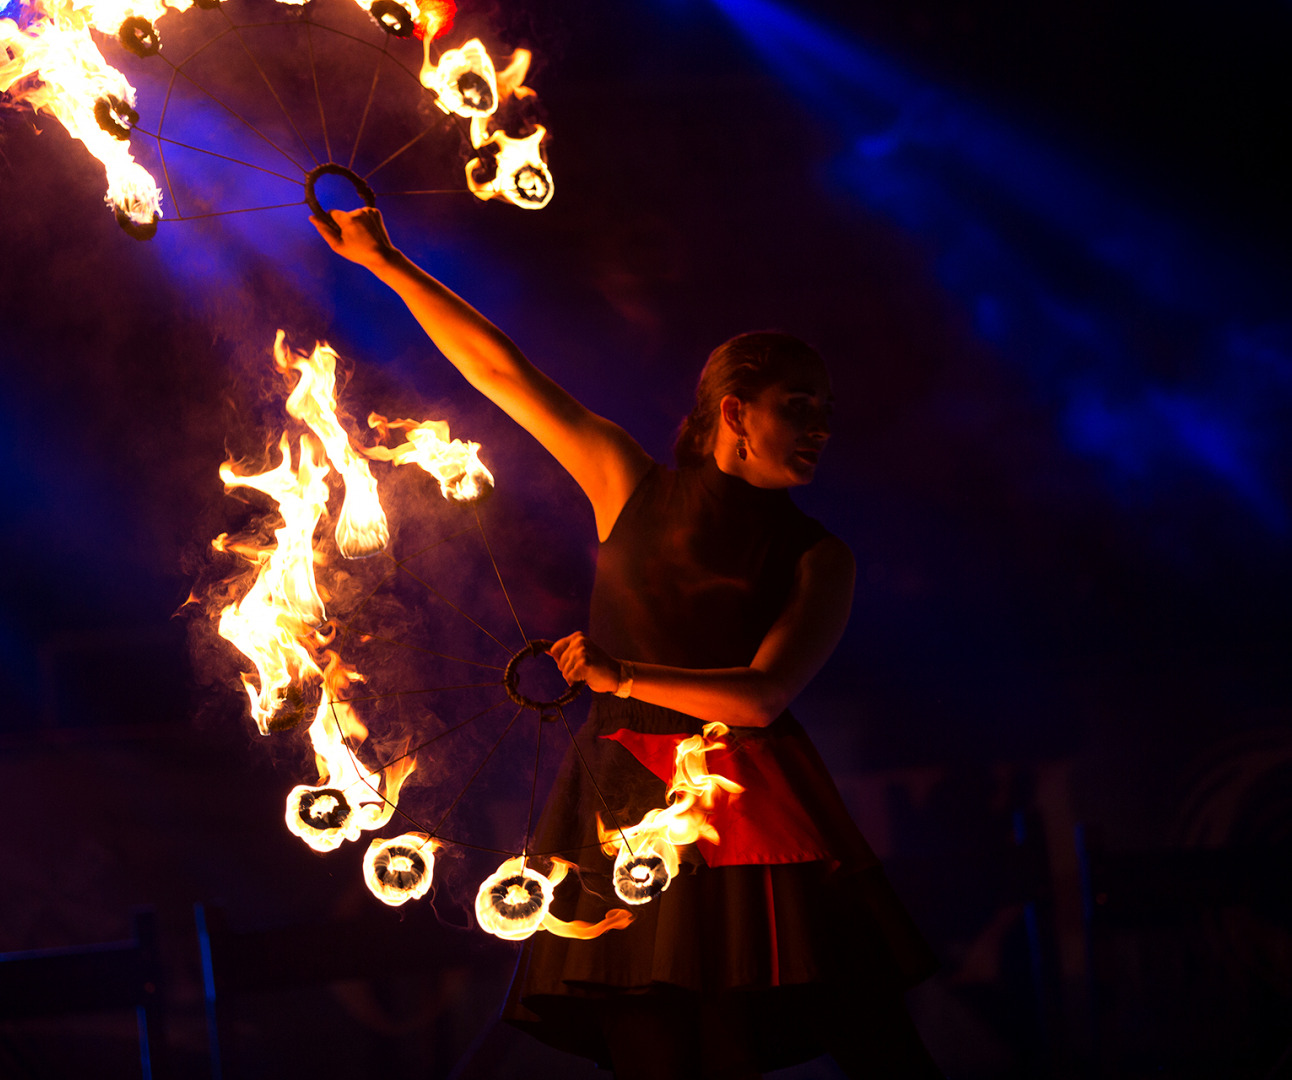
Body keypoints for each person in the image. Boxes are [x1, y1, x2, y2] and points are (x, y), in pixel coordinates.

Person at [313, 207, 941, 1079]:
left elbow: (761, 699)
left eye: (825, 412)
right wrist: (386, 261)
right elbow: (502, 373)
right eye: (798, 408)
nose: (821, 427)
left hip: (743, 805)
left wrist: (621, 671)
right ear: (735, 413)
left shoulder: (819, 557)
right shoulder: (626, 481)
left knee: (870, 1047)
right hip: (613, 795)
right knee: (653, 1051)